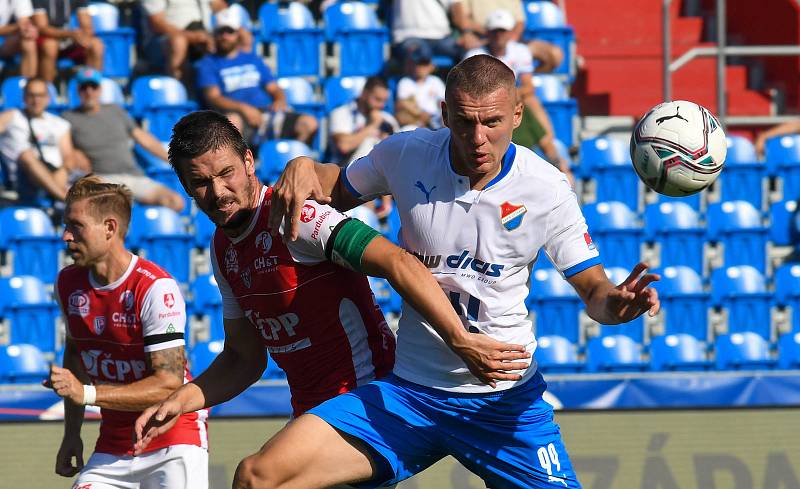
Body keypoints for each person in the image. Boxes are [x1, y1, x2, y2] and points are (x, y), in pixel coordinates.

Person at [249, 54, 661, 488]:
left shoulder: (547, 188)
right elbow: (332, 184)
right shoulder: (407, 153)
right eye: (464, 122)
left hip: (501, 403)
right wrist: (302, 164)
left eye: (493, 123)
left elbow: (593, 290)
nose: (478, 138)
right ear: (444, 114)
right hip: (409, 396)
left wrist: (617, 304)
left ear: (517, 115)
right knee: (260, 477)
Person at [131, 111, 531, 471]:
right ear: (184, 186)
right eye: (200, 182)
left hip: (367, 404)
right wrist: (180, 401)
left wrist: (460, 340)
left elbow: (397, 261)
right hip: (313, 416)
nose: (217, 192)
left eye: (226, 173)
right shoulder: (223, 250)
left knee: (256, 477)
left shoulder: (298, 217)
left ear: (249, 162)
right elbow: (243, 358)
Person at [45, 175, 208, 488]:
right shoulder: (67, 283)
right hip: (112, 447)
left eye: (76, 226)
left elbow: (168, 384)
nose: (65, 236)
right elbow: (76, 358)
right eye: (66, 225)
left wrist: (86, 394)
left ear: (109, 228)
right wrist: (71, 435)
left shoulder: (155, 288)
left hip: (173, 442)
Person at [465, 9, 570, 179]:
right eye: (495, 31)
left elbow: (528, 87)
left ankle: (550, 144)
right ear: (489, 33)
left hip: (509, 97)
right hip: (487, 100)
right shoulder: (475, 54)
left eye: (502, 31)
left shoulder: (516, 51)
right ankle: (550, 146)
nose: (499, 35)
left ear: (510, 33)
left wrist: (505, 96)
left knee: (529, 99)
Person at [63, 68, 186, 212]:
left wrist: (173, 160)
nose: (89, 92)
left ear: (100, 89)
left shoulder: (116, 111)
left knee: (175, 201)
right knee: (112, 208)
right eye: (84, 87)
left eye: (93, 87)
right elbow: (66, 152)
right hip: (101, 179)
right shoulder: (68, 118)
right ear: (78, 91)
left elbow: (143, 138)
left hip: (134, 176)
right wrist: (76, 155)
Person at [196, 11, 318, 147]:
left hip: (265, 113)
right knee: (232, 122)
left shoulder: (252, 59)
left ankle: (293, 160)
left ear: (237, 34)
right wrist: (244, 109)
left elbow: (273, 87)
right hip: (237, 117)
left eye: (229, 31)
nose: (225, 36)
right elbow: (214, 98)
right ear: (215, 35)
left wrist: (279, 99)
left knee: (309, 123)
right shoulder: (208, 63)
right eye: (221, 32)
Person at [0, 77, 86, 203]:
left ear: (48, 98)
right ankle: (65, 199)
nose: (36, 100)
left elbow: (68, 156)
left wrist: (62, 173)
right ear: (24, 97)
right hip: (22, 180)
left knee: (79, 157)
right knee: (26, 155)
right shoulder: (12, 116)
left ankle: (58, 194)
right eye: (32, 95)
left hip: (56, 176)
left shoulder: (59, 123)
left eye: (40, 95)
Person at [460, 0, 564, 73]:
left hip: (510, 37)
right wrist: (491, 34)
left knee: (555, 54)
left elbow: (520, 21)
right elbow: (462, 19)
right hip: (482, 39)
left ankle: (523, 78)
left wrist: (509, 38)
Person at [328, 76, 399, 166]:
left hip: (382, 172)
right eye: (377, 99)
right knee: (368, 142)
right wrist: (373, 125)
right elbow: (344, 146)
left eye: (384, 101)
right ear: (364, 94)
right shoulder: (341, 113)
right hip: (344, 170)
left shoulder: (388, 119)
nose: (381, 105)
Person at [31, 0, 104, 82]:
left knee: (96, 45)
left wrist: (82, 37)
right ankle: (47, 89)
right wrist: (70, 34)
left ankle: (93, 86)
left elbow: (87, 25)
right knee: (50, 46)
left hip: (68, 38)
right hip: (45, 39)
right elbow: (42, 28)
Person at [142, 0, 213, 81]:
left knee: (225, 37)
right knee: (178, 42)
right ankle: (179, 87)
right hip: (162, 40)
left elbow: (218, 5)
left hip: (200, 33)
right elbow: (156, 23)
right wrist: (192, 37)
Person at [395, 43, 446, 130]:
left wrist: (443, 115)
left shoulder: (436, 81)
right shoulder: (405, 82)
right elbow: (403, 104)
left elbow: (443, 101)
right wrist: (421, 114)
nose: (420, 67)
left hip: (435, 120)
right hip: (414, 122)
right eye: (418, 63)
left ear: (431, 65)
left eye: (424, 64)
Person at [0, 0, 38, 78]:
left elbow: (24, 21)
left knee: (28, 40)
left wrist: (27, 30)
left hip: (5, 42)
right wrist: (17, 27)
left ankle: (29, 86)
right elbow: (19, 25)